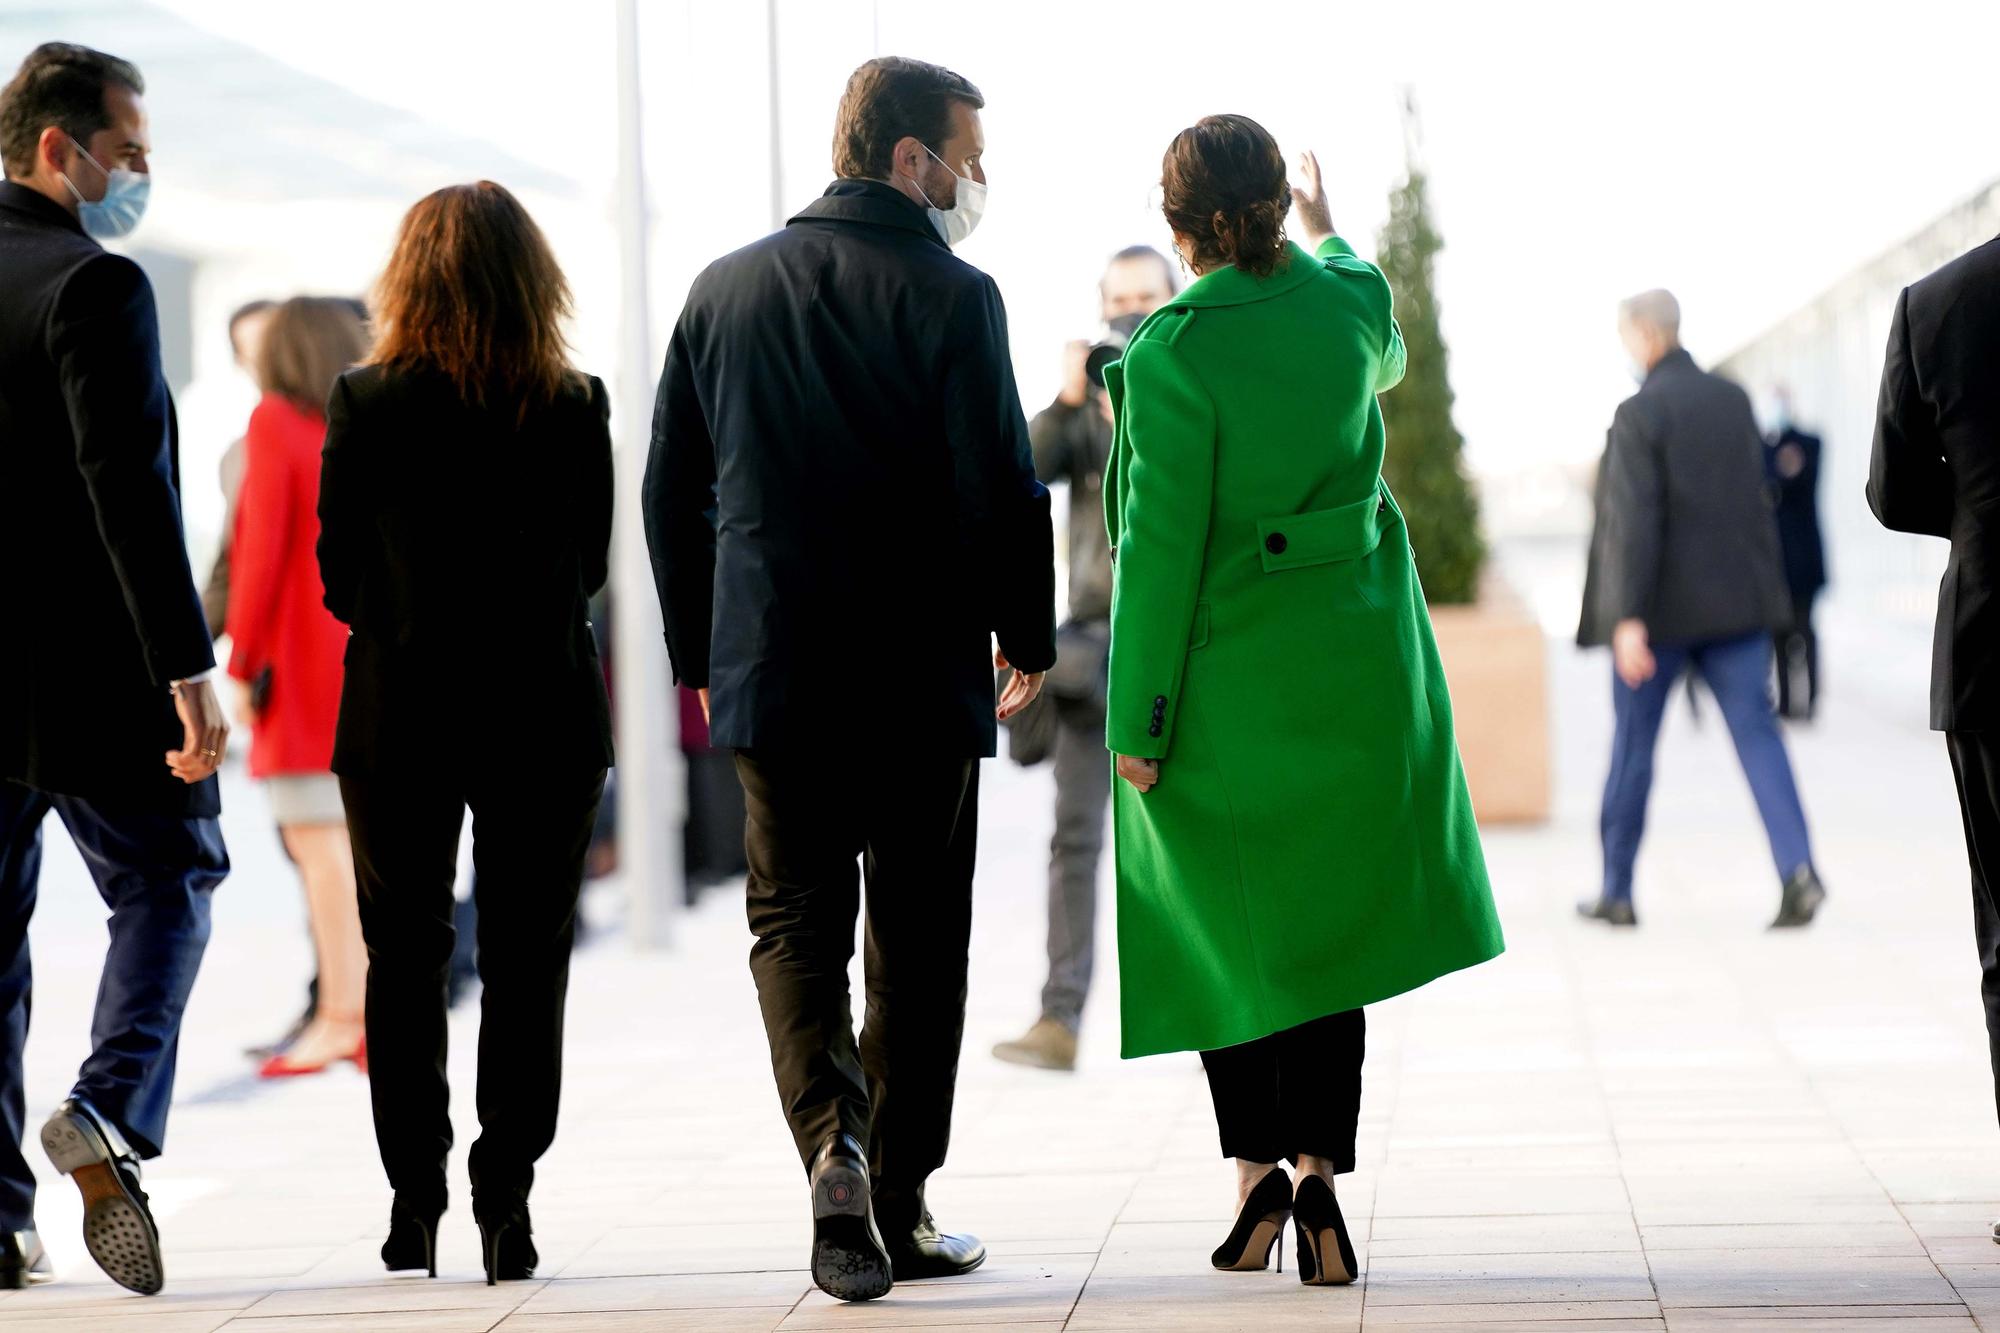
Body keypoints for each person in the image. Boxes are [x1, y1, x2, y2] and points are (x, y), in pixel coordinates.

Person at [645, 56, 1055, 1303]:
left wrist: (695, 662)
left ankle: (832, 1138)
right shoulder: (955, 295)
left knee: (792, 924)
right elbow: (1001, 486)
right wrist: (1024, 637)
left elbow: (671, 495)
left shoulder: (722, 290)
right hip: (917, 675)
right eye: (968, 156)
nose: (978, 179)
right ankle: (898, 1199)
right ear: (905, 158)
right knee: (919, 942)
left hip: (770, 669)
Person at [1106, 118, 1504, 1289]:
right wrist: (1328, 224)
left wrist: (1141, 719)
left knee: (1223, 932)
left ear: (1178, 228)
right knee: (1327, 938)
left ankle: (1251, 1180)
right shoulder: (1343, 310)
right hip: (1352, 675)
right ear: (1277, 206)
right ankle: (1321, 1180)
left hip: (1225, 691)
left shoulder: (1170, 351)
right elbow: (1368, 307)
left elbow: (1157, 550)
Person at [318, 181, 612, 1285]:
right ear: (534, 280)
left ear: (410, 276)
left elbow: (338, 571)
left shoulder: (365, 398)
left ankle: (413, 1199)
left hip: (402, 707)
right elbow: (585, 567)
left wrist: (406, 613)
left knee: (404, 954)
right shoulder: (573, 401)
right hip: (542, 704)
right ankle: (509, 1201)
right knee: (526, 960)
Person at [0, 43, 230, 1295]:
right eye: (126, 151)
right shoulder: (92, 284)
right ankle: (108, 1104)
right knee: (173, 871)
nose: (135, 175)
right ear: (58, 147)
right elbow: (126, 488)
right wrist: (185, 668)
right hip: (91, 670)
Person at [1576, 290, 1826, 930]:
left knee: (1634, 747)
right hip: (1735, 612)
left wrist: (1627, 617)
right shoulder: (1733, 400)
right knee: (1759, 737)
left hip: (1656, 620)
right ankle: (1798, 872)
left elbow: (1634, 520)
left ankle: (1618, 889)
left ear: (1643, 334)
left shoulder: (1639, 413)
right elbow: (1753, 503)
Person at [993, 246, 1178, 1074]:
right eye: (1119, 304)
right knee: (1074, 840)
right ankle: (1059, 1018)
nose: (1132, 316)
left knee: (1188, 838)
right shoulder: (1084, 410)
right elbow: (1018, 477)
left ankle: (1211, 1015)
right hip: (1093, 646)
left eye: (1147, 300)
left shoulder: (1188, 388)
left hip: (1177, 648)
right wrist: (1071, 401)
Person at [1866, 231, 2000, 1241]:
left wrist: (1975, 516)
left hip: (1990, 647)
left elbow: (1889, 489)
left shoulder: (1935, 302)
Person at [226, 296, 370, 1078]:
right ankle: (363, 1014)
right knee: (359, 849)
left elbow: (261, 552)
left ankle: (342, 1017)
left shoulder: (275, 422)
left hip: (299, 661)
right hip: (368, 652)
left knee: (322, 853)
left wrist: (241, 664)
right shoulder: (370, 413)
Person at [201, 299, 276, 639]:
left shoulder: (344, 427)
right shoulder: (237, 457)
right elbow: (231, 567)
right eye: (255, 349)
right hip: (272, 654)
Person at [1765, 389, 1827, 719]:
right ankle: (1788, 704)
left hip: (1803, 562)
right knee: (1779, 635)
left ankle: (1812, 700)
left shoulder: (1809, 442)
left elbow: (1798, 478)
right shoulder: (1766, 447)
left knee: (1804, 630)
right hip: (1775, 564)